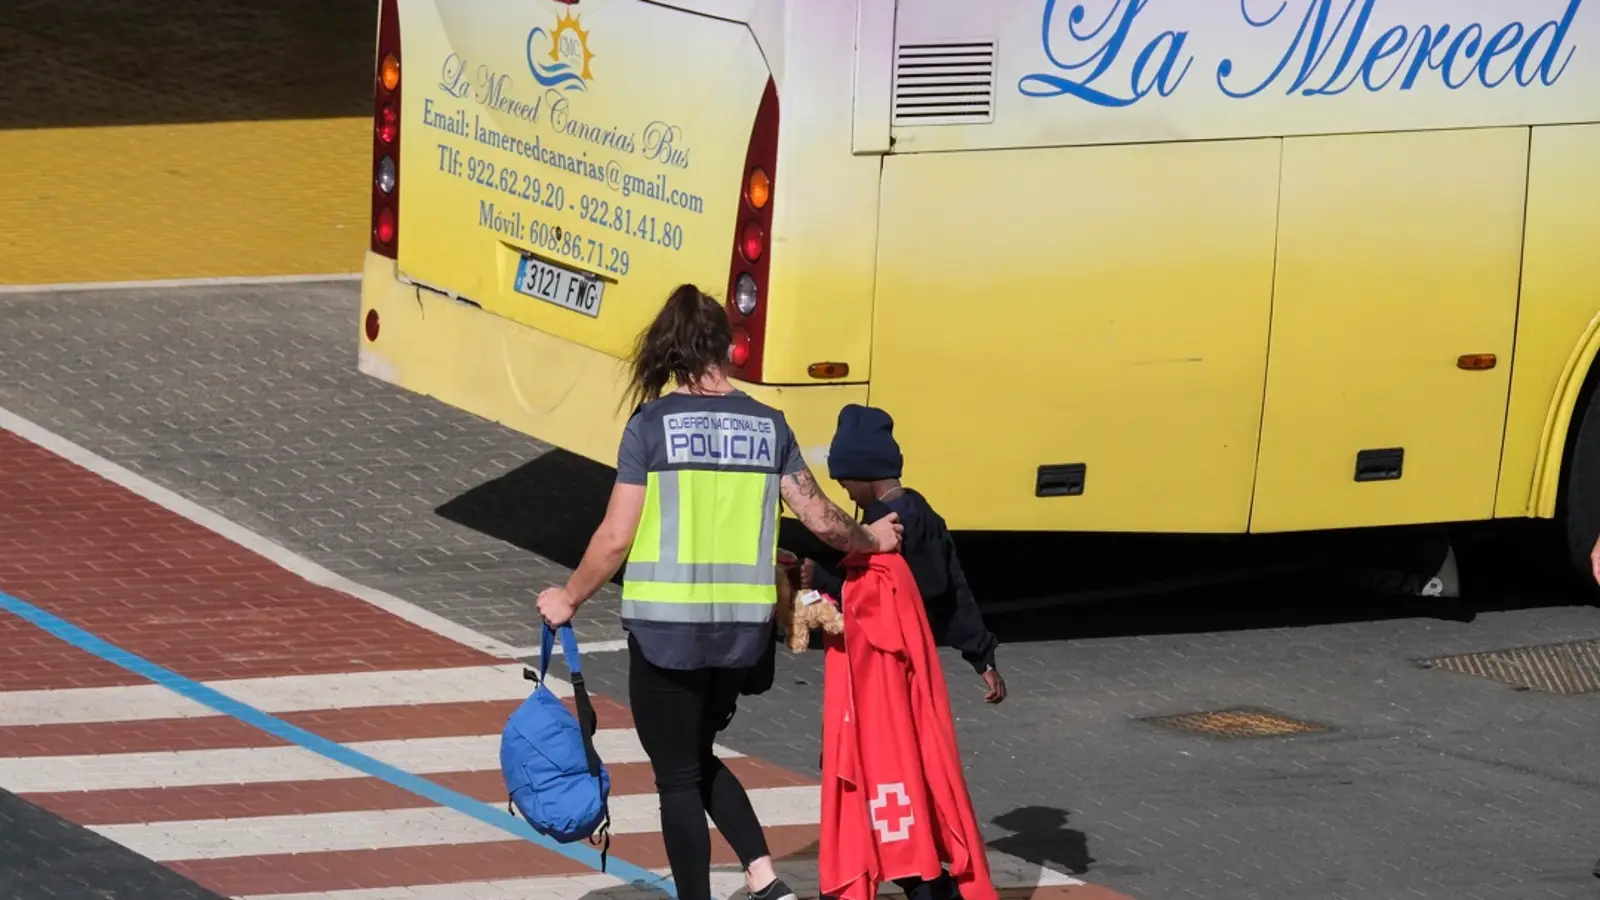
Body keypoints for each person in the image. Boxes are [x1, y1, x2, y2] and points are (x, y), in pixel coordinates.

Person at [535, 285, 903, 900]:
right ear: (728, 347)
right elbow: (820, 519)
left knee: (676, 777)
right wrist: (873, 539)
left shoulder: (651, 426)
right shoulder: (769, 426)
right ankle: (766, 881)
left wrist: (567, 599)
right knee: (696, 754)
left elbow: (615, 537)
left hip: (664, 635)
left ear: (670, 352)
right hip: (739, 636)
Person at [800, 404, 1006, 705]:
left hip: (883, 664)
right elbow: (954, 591)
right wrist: (982, 658)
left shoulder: (883, 528)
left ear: (863, 472)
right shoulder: (925, 514)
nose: (845, 491)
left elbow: (870, 601)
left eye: (845, 481)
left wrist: (818, 577)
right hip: (919, 659)